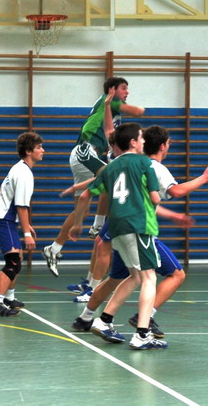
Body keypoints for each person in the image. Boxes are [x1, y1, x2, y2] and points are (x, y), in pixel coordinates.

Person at [70, 124, 208, 337]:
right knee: (172, 274)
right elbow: (171, 193)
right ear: (162, 146)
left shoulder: (120, 164)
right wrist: (203, 178)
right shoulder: (150, 166)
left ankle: (88, 318)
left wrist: (81, 216)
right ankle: (144, 322)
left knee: (122, 277)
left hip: (116, 226)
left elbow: (108, 190)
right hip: (137, 227)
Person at [69, 122, 165, 350]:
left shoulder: (110, 168)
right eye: (141, 137)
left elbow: (85, 196)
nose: (144, 141)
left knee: (135, 276)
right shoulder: (144, 163)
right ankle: (142, 334)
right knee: (149, 277)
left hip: (116, 226)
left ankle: (104, 320)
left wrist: (77, 224)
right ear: (133, 142)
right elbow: (155, 198)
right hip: (138, 225)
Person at [43, 77, 145, 277]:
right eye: (124, 88)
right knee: (111, 177)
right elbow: (139, 111)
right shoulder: (111, 102)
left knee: (80, 211)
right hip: (85, 151)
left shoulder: (109, 110)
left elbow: (109, 132)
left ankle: (54, 249)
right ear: (112, 90)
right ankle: (97, 225)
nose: (127, 92)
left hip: (85, 156)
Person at [0, 131, 45, 316]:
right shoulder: (24, 173)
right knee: (13, 262)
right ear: (28, 151)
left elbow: (3, 193)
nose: (43, 150)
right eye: (39, 147)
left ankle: (8, 298)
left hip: (4, 219)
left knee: (17, 257)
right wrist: (26, 234)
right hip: (3, 221)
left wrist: (25, 225)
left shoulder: (18, 168)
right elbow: (21, 206)